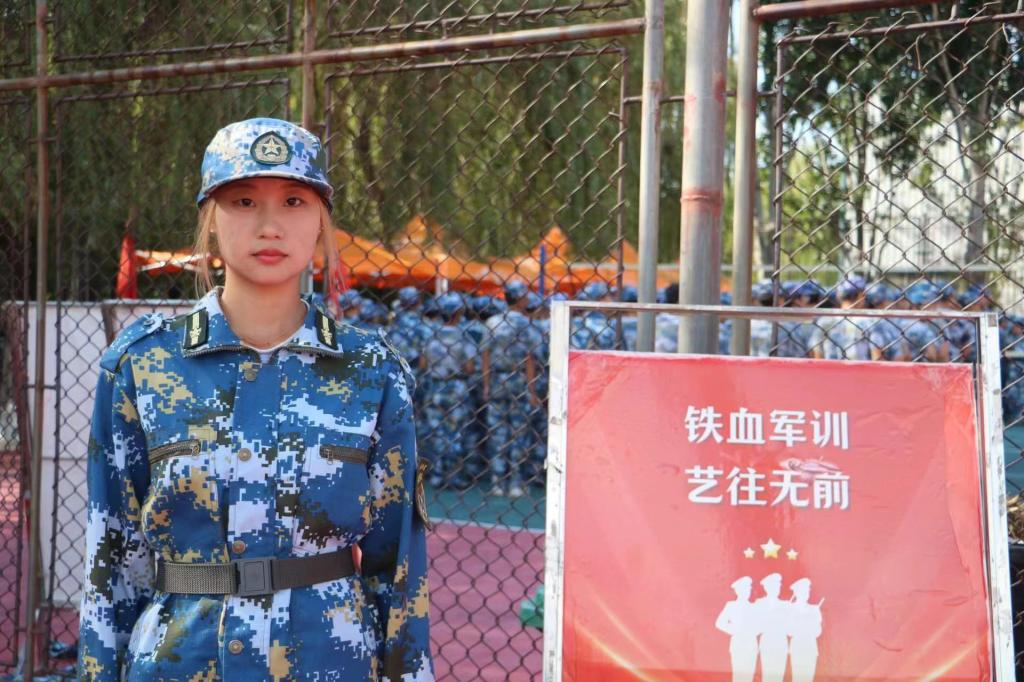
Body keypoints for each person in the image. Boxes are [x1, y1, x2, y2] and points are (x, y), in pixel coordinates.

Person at [78, 118, 434, 681]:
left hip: (328, 661)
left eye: (294, 201)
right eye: (244, 201)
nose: (270, 225)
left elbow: (399, 568)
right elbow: (112, 559)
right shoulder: (142, 365)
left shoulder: (372, 371)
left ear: (321, 220)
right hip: (181, 664)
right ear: (210, 218)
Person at [481, 281, 541, 497]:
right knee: (519, 432)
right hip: (519, 380)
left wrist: (486, 384)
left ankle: (497, 481)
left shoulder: (492, 323)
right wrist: (531, 390)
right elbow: (530, 359)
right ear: (521, 299)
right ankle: (516, 482)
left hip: (497, 379)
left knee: (497, 431)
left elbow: (485, 355)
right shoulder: (528, 324)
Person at [420, 292, 476, 490]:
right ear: (458, 313)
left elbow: (423, 364)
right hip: (456, 388)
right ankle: (453, 475)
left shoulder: (431, 335)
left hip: (434, 387)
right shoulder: (464, 336)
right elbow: (470, 368)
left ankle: (437, 475)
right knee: (455, 432)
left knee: (436, 432)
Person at [715, 576, 758, 682]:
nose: (748, 591)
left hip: (751, 645)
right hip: (738, 644)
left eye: (749, 589)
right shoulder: (731, 606)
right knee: (738, 676)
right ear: (738, 591)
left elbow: (759, 625)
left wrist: (755, 631)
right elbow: (719, 623)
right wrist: (735, 630)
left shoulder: (754, 607)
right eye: (745, 589)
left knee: (749, 676)